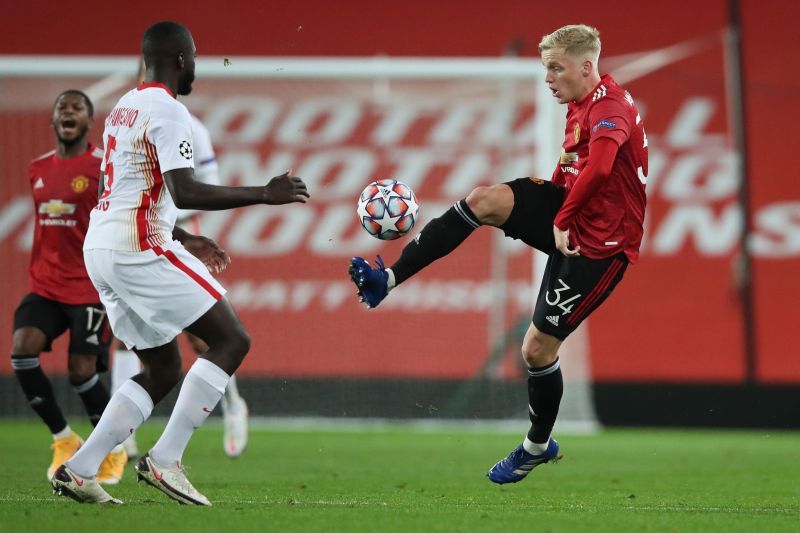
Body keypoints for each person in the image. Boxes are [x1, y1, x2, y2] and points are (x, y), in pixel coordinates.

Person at [349, 24, 647, 484]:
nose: (547, 77)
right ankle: (388, 278)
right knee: (484, 199)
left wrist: (561, 217)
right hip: (569, 217)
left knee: (536, 349)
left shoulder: (610, 108)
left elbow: (603, 168)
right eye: (544, 67)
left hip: (601, 245)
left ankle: (537, 445)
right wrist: (553, 204)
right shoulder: (579, 103)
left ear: (587, 66)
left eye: (556, 68)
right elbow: (573, 166)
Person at [50, 21, 309, 505]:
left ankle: (81, 468)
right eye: (196, 58)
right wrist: (265, 193)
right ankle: (165, 460)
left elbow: (130, 189)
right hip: (137, 245)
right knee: (232, 340)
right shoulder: (169, 112)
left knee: (163, 367)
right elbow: (184, 189)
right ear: (183, 60)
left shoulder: (124, 108)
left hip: (101, 248)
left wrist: (185, 235)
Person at [111, 61, 249, 461]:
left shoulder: (188, 125)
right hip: (135, 237)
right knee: (124, 333)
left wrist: (185, 234)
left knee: (201, 336)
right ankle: (128, 437)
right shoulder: (126, 114)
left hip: (173, 234)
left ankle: (233, 405)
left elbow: (198, 188)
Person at [11, 90, 128, 485]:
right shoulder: (37, 168)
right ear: (53, 120)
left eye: (77, 107)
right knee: (22, 352)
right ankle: (64, 440)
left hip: (90, 287)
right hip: (45, 285)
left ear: (89, 121)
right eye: (62, 106)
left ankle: (113, 450)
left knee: (81, 373)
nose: (68, 112)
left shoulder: (101, 167)